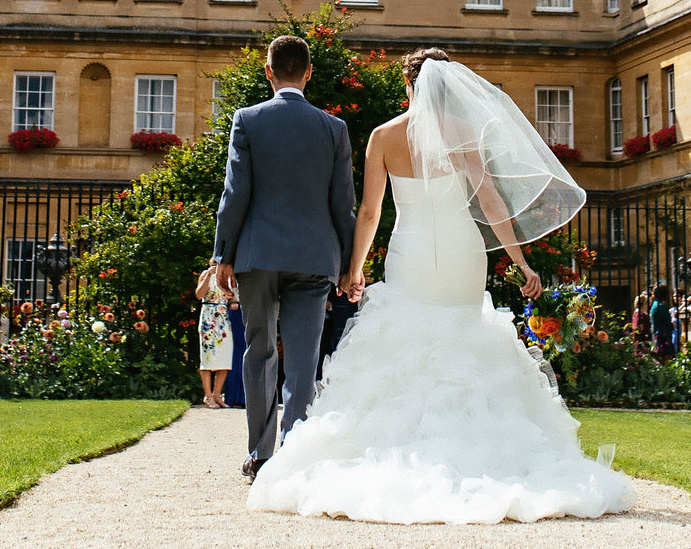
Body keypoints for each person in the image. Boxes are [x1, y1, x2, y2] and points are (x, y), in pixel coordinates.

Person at [248, 48, 635, 523]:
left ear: (409, 87)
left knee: (407, 339)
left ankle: (406, 443)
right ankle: (484, 447)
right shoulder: (465, 135)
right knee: (464, 336)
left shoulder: (384, 137)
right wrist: (522, 262)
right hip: (462, 253)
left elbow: (369, 213)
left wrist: (354, 268)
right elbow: (491, 203)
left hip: (412, 251)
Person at [210, 34, 357, 481]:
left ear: (268, 71)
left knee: (258, 353)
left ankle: (260, 455)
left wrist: (223, 255)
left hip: (259, 254)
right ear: (308, 72)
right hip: (315, 258)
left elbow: (235, 192)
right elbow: (342, 205)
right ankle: (294, 455)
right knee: (303, 359)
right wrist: (351, 267)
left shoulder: (248, 119)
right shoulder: (335, 129)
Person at [196, 264, 236, 408]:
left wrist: (233, 301)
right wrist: (208, 275)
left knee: (225, 356)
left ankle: (217, 395)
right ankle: (208, 396)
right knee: (207, 356)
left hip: (223, 317)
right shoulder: (206, 274)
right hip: (208, 316)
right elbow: (199, 294)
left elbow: (232, 296)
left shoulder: (227, 276)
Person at [649, 284, 676, 359]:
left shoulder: (654, 304)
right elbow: (668, 323)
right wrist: (672, 325)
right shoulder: (660, 306)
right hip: (663, 337)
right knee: (666, 360)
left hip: (658, 336)